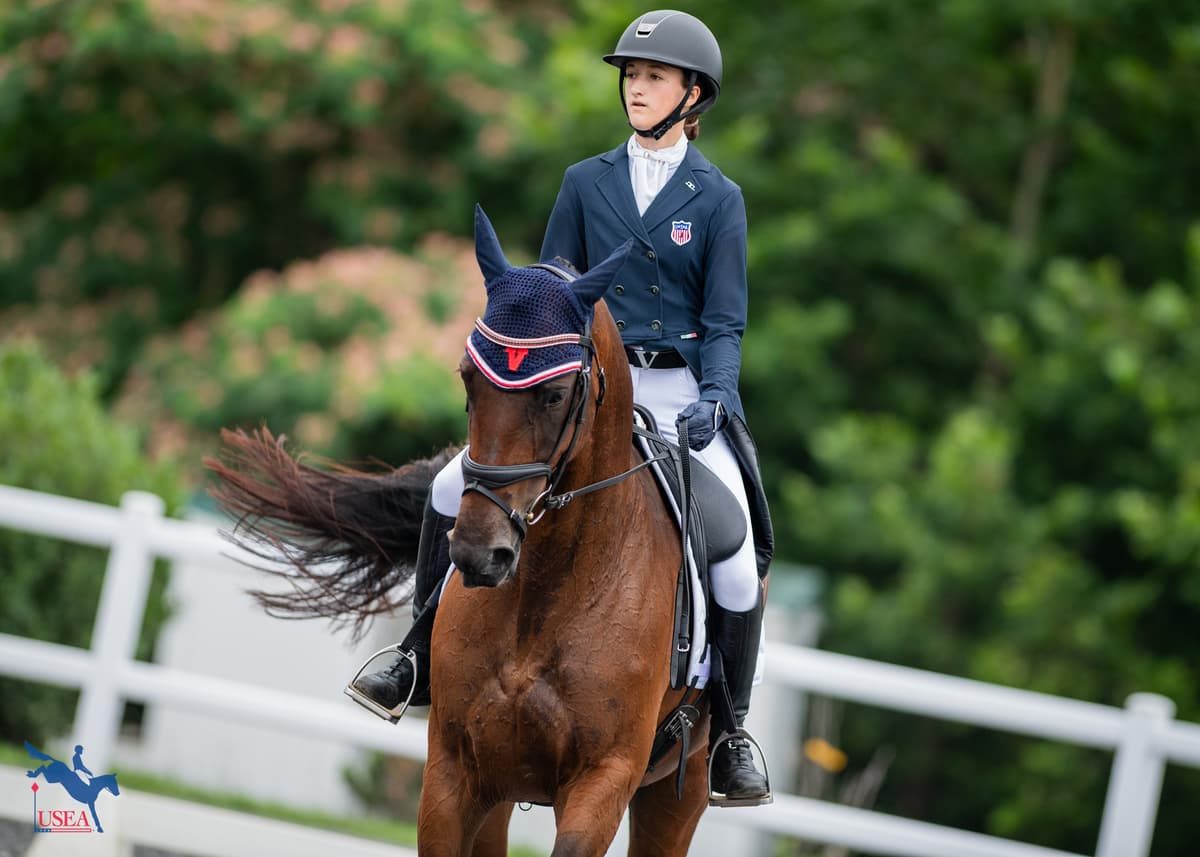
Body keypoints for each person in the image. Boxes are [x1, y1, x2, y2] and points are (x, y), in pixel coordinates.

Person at [346, 9, 773, 806]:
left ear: (692, 93)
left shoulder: (719, 199)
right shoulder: (585, 180)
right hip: (580, 382)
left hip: (680, 389)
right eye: (631, 76)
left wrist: (715, 395)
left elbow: (725, 319)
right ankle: (413, 654)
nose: (636, 88)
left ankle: (732, 728)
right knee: (449, 490)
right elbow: (549, 295)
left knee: (738, 551)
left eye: (652, 77)